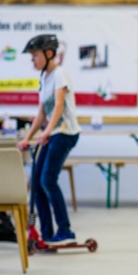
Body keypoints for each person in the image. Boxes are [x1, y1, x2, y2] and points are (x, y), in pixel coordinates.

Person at [17, 34, 81, 245]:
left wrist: (47, 131)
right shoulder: (44, 78)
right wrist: (27, 138)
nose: (32, 60)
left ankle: (65, 230)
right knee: (36, 183)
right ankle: (46, 233)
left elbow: (59, 105)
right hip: (52, 134)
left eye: (35, 55)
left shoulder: (60, 74)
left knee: (48, 180)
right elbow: (42, 113)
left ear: (49, 53)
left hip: (65, 133)